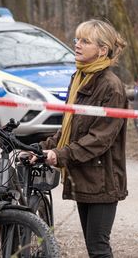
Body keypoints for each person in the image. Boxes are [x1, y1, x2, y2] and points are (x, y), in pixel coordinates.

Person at [34, 19, 128, 257]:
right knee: (93, 246)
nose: (77, 45)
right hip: (84, 176)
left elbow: (99, 138)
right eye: (77, 39)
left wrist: (60, 155)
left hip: (103, 180)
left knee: (98, 248)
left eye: (85, 41)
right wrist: (41, 147)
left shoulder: (111, 87)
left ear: (102, 50)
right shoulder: (79, 77)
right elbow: (70, 127)